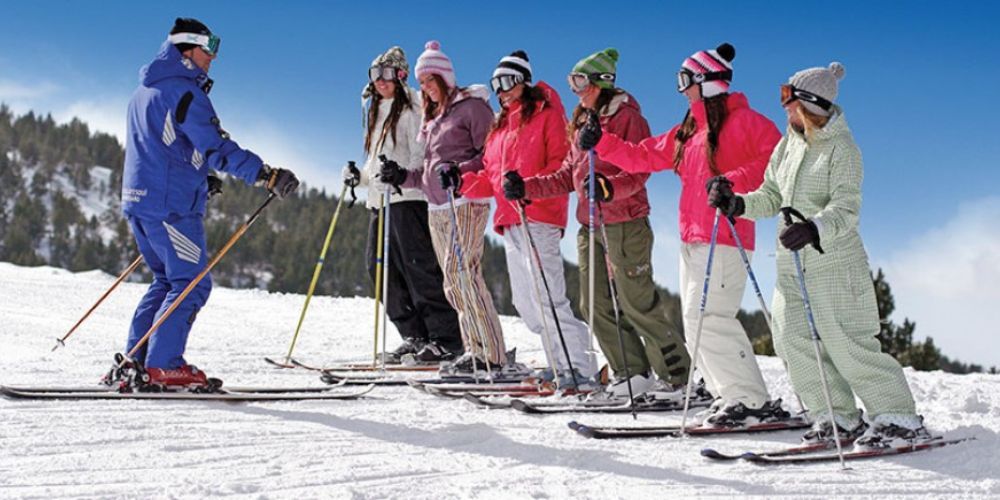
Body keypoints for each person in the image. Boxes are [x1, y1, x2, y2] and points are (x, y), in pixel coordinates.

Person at [708, 62, 930, 448]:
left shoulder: (843, 150)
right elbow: (771, 196)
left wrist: (813, 228)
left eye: (788, 100)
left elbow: (846, 208)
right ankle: (835, 417)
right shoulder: (788, 144)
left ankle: (898, 418)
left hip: (833, 263)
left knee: (847, 343)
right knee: (792, 339)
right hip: (791, 263)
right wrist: (738, 204)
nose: (784, 109)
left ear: (810, 105)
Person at [577, 43, 786, 425]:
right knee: (695, 322)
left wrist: (732, 182)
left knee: (711, 316)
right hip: (693, 237)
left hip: (727, 234)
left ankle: (751, 400)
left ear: (707, 82)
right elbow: (644, 154)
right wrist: (601, 143)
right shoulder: (690, 130)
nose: (682, 88)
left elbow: (777, 164)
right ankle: (731, 397)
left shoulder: (749, 123)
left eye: (685, 80)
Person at [119, 18, 298, 388]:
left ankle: (136, 361)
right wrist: (266, 174)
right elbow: (215, 146)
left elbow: (165, 146)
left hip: (141, 200)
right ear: (186, 50)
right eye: (208, 48)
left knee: (167, 280)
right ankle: (164, 364)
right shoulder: (185, 92)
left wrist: (199, 175)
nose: (213, 58)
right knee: (191, 283)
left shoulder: (146, 90)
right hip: (170, 205)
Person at [507, 48, 692, 400]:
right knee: (593, 304)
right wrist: (526, 188)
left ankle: (678, 378)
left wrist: (611, 187)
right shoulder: (580, 120)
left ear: (600, 82)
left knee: (636, 301)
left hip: (625, 222)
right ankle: (631, 372)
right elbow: (567, 175)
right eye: (571, 82)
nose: (576, 89)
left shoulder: (626, 117)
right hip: (589, 225)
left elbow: (640, 169)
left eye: (581, 81)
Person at [460, 50, 596, 386]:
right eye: (496, 84)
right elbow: (493, 178)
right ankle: (558, 361)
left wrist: (527, 186)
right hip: (510, 219)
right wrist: (461, 182)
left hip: (539, 214)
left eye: (506, 82)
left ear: (523, 81)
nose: (501, 90)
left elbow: (561, 165)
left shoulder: (548, 115)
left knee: (548, 296)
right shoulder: (500, 126)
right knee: (525, 302)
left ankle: (580, 366)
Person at [380, 41, 510, 374]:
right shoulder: (433, 116)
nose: (424, 88)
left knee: (465, 274)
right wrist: (401, 176)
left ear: (445, 78)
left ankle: (491, 354)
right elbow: (427, 174)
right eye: (421, 83)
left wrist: (461, 171)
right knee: (452, 281)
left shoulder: (473, 108)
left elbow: (491, 154)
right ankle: (475, 348)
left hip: (466, 200)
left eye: (429, 80)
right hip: (437, 207)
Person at [343, 46, 463, 364]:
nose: (380, 81)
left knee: (418, 268)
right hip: (380, 201)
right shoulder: (376, 109)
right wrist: (361, 177)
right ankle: (414, 336)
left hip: (409, 199)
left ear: (400, 75)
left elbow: (421, 155)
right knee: (379, 270)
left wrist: (399, 174)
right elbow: (376, 163)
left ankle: (446, 338)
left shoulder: (413, 106)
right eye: (374, 75)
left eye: (386, 74)